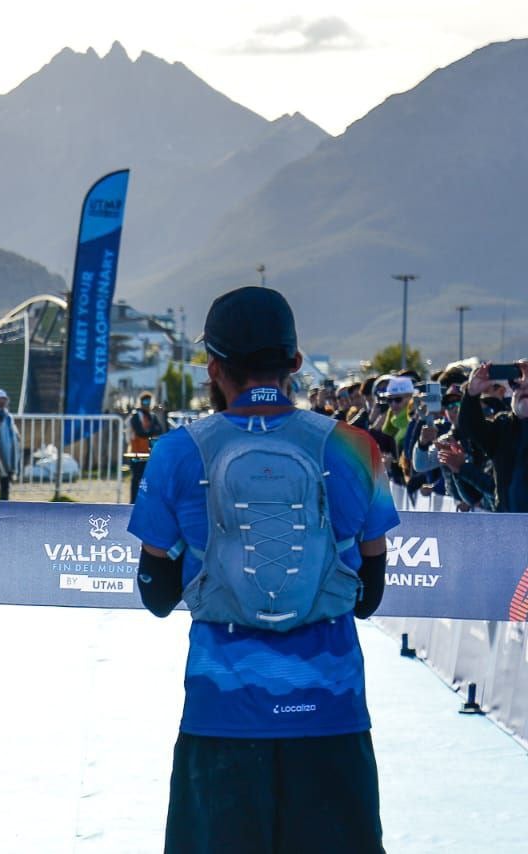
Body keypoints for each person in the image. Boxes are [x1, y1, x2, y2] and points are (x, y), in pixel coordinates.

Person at [128, 286, 398, 853]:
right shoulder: (356, 447)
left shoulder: (177, 452)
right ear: (295, 363)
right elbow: (369, 596)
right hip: (331, 719)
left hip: (220, 718)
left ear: (213, 366)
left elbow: (155, 594)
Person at [459, 360, 528, 513]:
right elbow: (470, 427)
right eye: (517, 385)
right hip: (508, 526)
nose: (523, 389)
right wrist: (471, 394)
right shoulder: (503, 426)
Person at [128, 391, 166, 503]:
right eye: (144, 401)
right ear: (140, 402)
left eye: (149, 401)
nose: (147, 403)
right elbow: (140, 432)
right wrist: (151, 431)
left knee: (149, 479)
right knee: (136, 479)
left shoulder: (152, 416)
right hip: (136, 452)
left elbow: (160, 429)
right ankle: (133, 503)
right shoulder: (136, 416)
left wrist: (149, 431)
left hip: (149, 453)